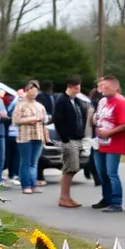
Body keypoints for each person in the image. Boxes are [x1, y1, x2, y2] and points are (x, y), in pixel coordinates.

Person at [93, 75, 125, 213]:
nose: (102, 89)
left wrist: (109, 133)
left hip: (114, 142)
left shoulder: (120, 101)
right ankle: (106, 198)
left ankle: (116, 202)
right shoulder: (103, 101)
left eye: (105, 86)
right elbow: (98, 118)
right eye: (101, 86)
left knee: (111, 173)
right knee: (102, 172)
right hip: (101, 142)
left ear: (115, 87)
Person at [52, 75, 86, 208]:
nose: (78, 90)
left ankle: (67, 196)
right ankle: (64, 197)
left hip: (77, 138)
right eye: (77, 88)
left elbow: (81, 116)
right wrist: (64, 138)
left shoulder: (76, 101)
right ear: (70, 87)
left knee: (74, 167)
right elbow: (58, 120)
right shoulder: (62, 100)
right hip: (69, 139)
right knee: (70, 167)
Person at [12, 82, 48, 195]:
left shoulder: (39, 106)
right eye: (31, 91)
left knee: (34, 162)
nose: (33, 93)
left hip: (38, 136)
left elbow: (45, 120)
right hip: (24, 137)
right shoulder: (20, 105)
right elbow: (15, 120)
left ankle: (34, 184)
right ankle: (26, 185)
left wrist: (41, 120)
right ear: (27, 90)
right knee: (25, 162)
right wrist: (29, 120)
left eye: (35, 91)